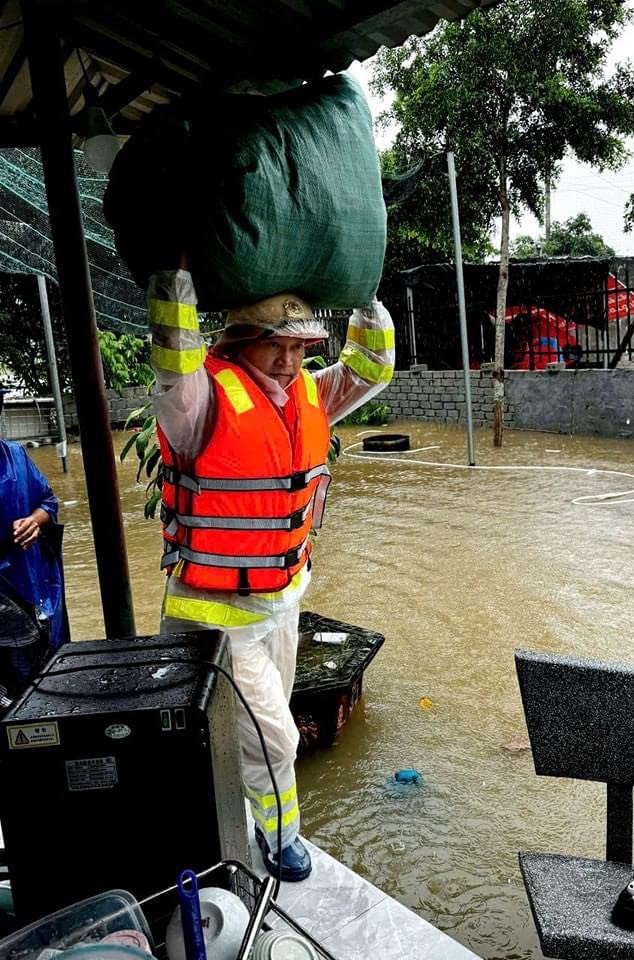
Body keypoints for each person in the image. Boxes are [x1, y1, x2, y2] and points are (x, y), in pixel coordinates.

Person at [148, 266, 394, 881]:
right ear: (238, 342)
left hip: (281, 603)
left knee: (259, 729)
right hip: (213, 620)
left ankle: (250, 819)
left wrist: (362, 290)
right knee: (274, 740)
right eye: (273, 344)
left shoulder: (313, 394)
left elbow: (372, 368)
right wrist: (176, 276)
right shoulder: (198, 400)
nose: (287, 360)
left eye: (298, 346)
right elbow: (174, 359)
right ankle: (282, 840)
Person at [0, 399, 69, 703]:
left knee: (42, 681)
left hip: (29, 585)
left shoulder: (15, 456)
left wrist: (34, 521)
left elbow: (48, 501)